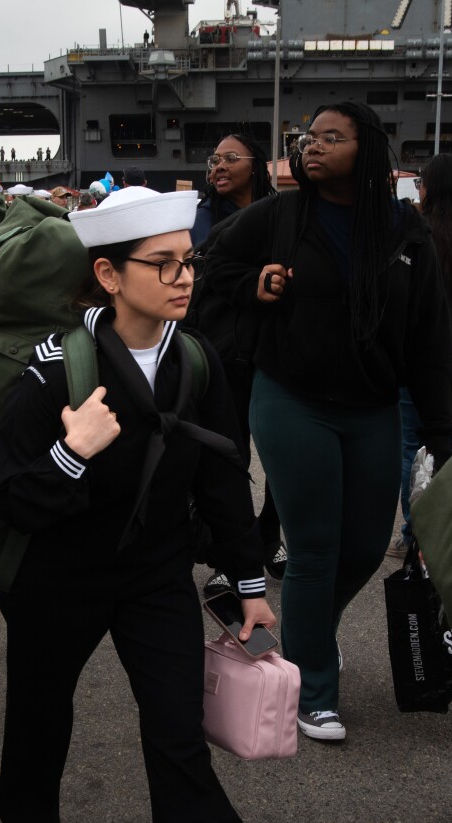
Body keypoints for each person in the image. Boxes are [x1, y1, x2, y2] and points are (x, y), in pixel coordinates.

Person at [0, 186, 277, 823]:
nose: (185, 277)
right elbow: (10, 494)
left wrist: (250, 584)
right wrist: (70, 449)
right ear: (110, 276)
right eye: (164, 264)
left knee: (178, 737)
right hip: (59, 573)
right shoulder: (56, 368)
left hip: (154, 575)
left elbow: (221, 477)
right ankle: (27, 810)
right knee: (42, 704)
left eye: (189, 261)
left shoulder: (196, 355)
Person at [207, 101, 452, 742]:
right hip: (291, 399)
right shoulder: (281, 215)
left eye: (330, 137)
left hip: (373, 407)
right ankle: (313, 690)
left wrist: (439, 430)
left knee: (367, 546)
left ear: (367, 150)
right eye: (307, 137)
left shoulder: (406, 230)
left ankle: (312, 633)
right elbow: (211, 267)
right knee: (314, 548)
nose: (310, 147)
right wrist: (253, 284)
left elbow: (429, 336)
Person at [185, 131, 284, 590]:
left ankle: (270, 535)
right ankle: (232, 554)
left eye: (229, 158)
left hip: (274, 353)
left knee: (282, 456)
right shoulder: (197, 218)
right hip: (217, 351)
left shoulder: (281, 216)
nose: (217, 167)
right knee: (230, 458)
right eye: (213, 159)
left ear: (256, 164)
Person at [389, 153, 452, 558]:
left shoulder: (418, 235)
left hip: (420, 364)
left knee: (415, 450)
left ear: (429, 188)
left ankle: (417, 536)